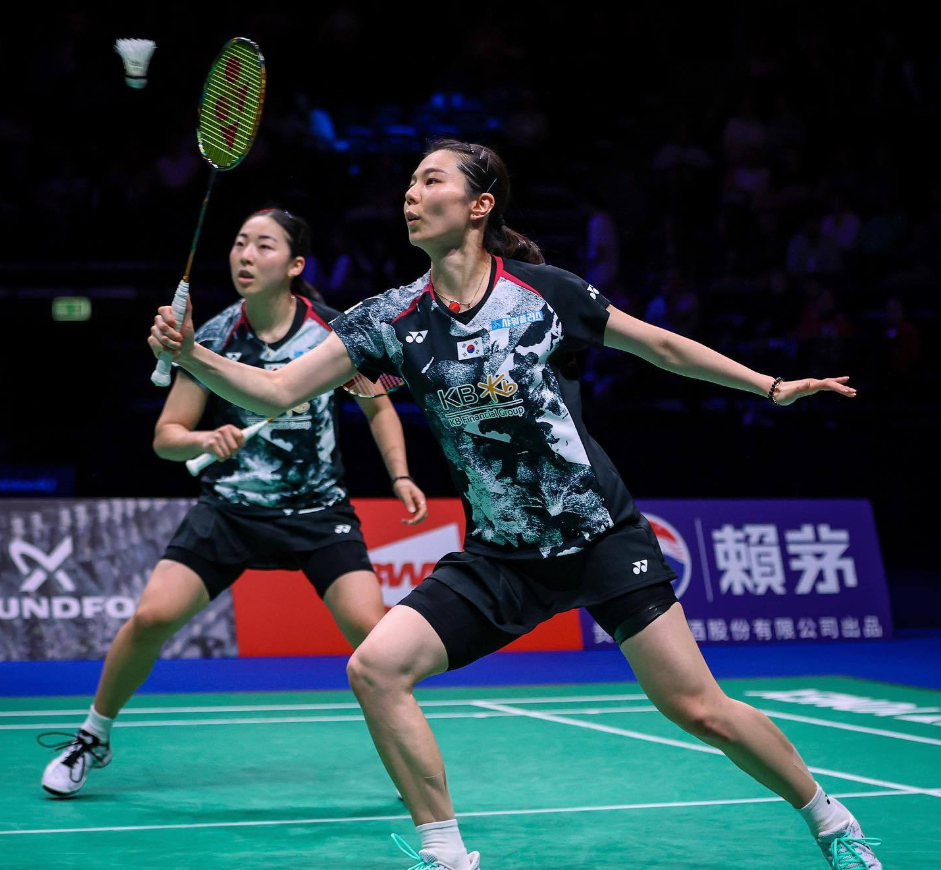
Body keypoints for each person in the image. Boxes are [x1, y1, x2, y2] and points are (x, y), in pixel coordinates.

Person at [147, 144, 881, 870]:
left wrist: (769, 386)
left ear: (479, 205)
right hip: (502, 556)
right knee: (375, 667)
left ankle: (831, 821)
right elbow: (277, 391)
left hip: (597, 536)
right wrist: (192, 355)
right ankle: (445, 853)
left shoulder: (541, 293)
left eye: (430, 180)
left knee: (698, 709)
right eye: (409, 183)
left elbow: (659, 345)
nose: (410, 194)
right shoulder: (389, 319)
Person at [41, 208, 427, 798]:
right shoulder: (214, 336)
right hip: (231, 510)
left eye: (264, 245)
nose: (246, 255)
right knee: (151, 618)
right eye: (241, 243)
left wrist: (399, 475)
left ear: (295, 265)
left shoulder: (331, 331)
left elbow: (377, 408)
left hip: (316, 511)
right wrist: (204, 439)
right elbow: (166, 438)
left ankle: (408, 759)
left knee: (375, 637)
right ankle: (93, 735)